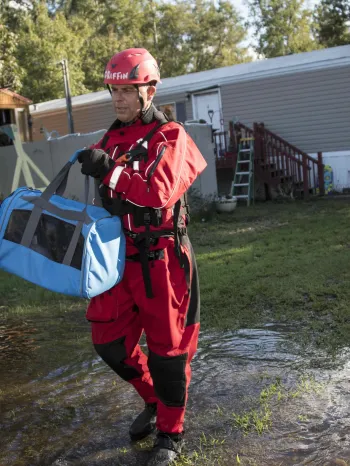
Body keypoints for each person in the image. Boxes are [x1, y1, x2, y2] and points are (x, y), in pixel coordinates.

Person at [77, 48, 207, 466]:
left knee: (168, 351)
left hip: (164, 259)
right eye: (113, 90)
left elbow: (157, 192)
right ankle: (153, 399)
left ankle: (171, 432)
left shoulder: (172, 136)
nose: (119, 99)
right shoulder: (110, 138)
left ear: (149, 89)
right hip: (120, 260)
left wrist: (109, 170)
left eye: (128, 91)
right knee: (108, 341)